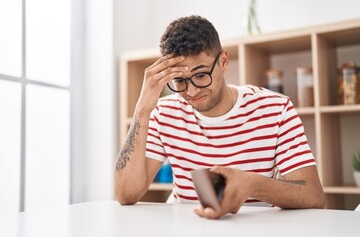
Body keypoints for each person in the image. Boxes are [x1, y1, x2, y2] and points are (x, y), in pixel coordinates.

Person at [114, 15, 325, 219]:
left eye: (200, 75)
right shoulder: (164, 112)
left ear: (223, 61)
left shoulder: (276, 109)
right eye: (180, 80)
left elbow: (314, 196)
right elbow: (126, 194)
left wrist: (253, 184)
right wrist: (142, 109)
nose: (192, 91)